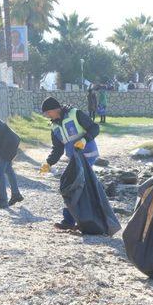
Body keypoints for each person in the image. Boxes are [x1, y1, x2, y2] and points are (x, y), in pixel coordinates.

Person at [39, 97, 100, 230]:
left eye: (48, 112)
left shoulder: (75, 114)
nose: (47, 115)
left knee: (75, 185)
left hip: (87, 155)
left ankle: (72, 221)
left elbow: (95, 128)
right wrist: (49, 163)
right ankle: (76, 221)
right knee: (73, 186)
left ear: (56, 109)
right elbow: (58, 149)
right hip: (74, 159)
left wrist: (84, 140)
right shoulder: (54, 127)